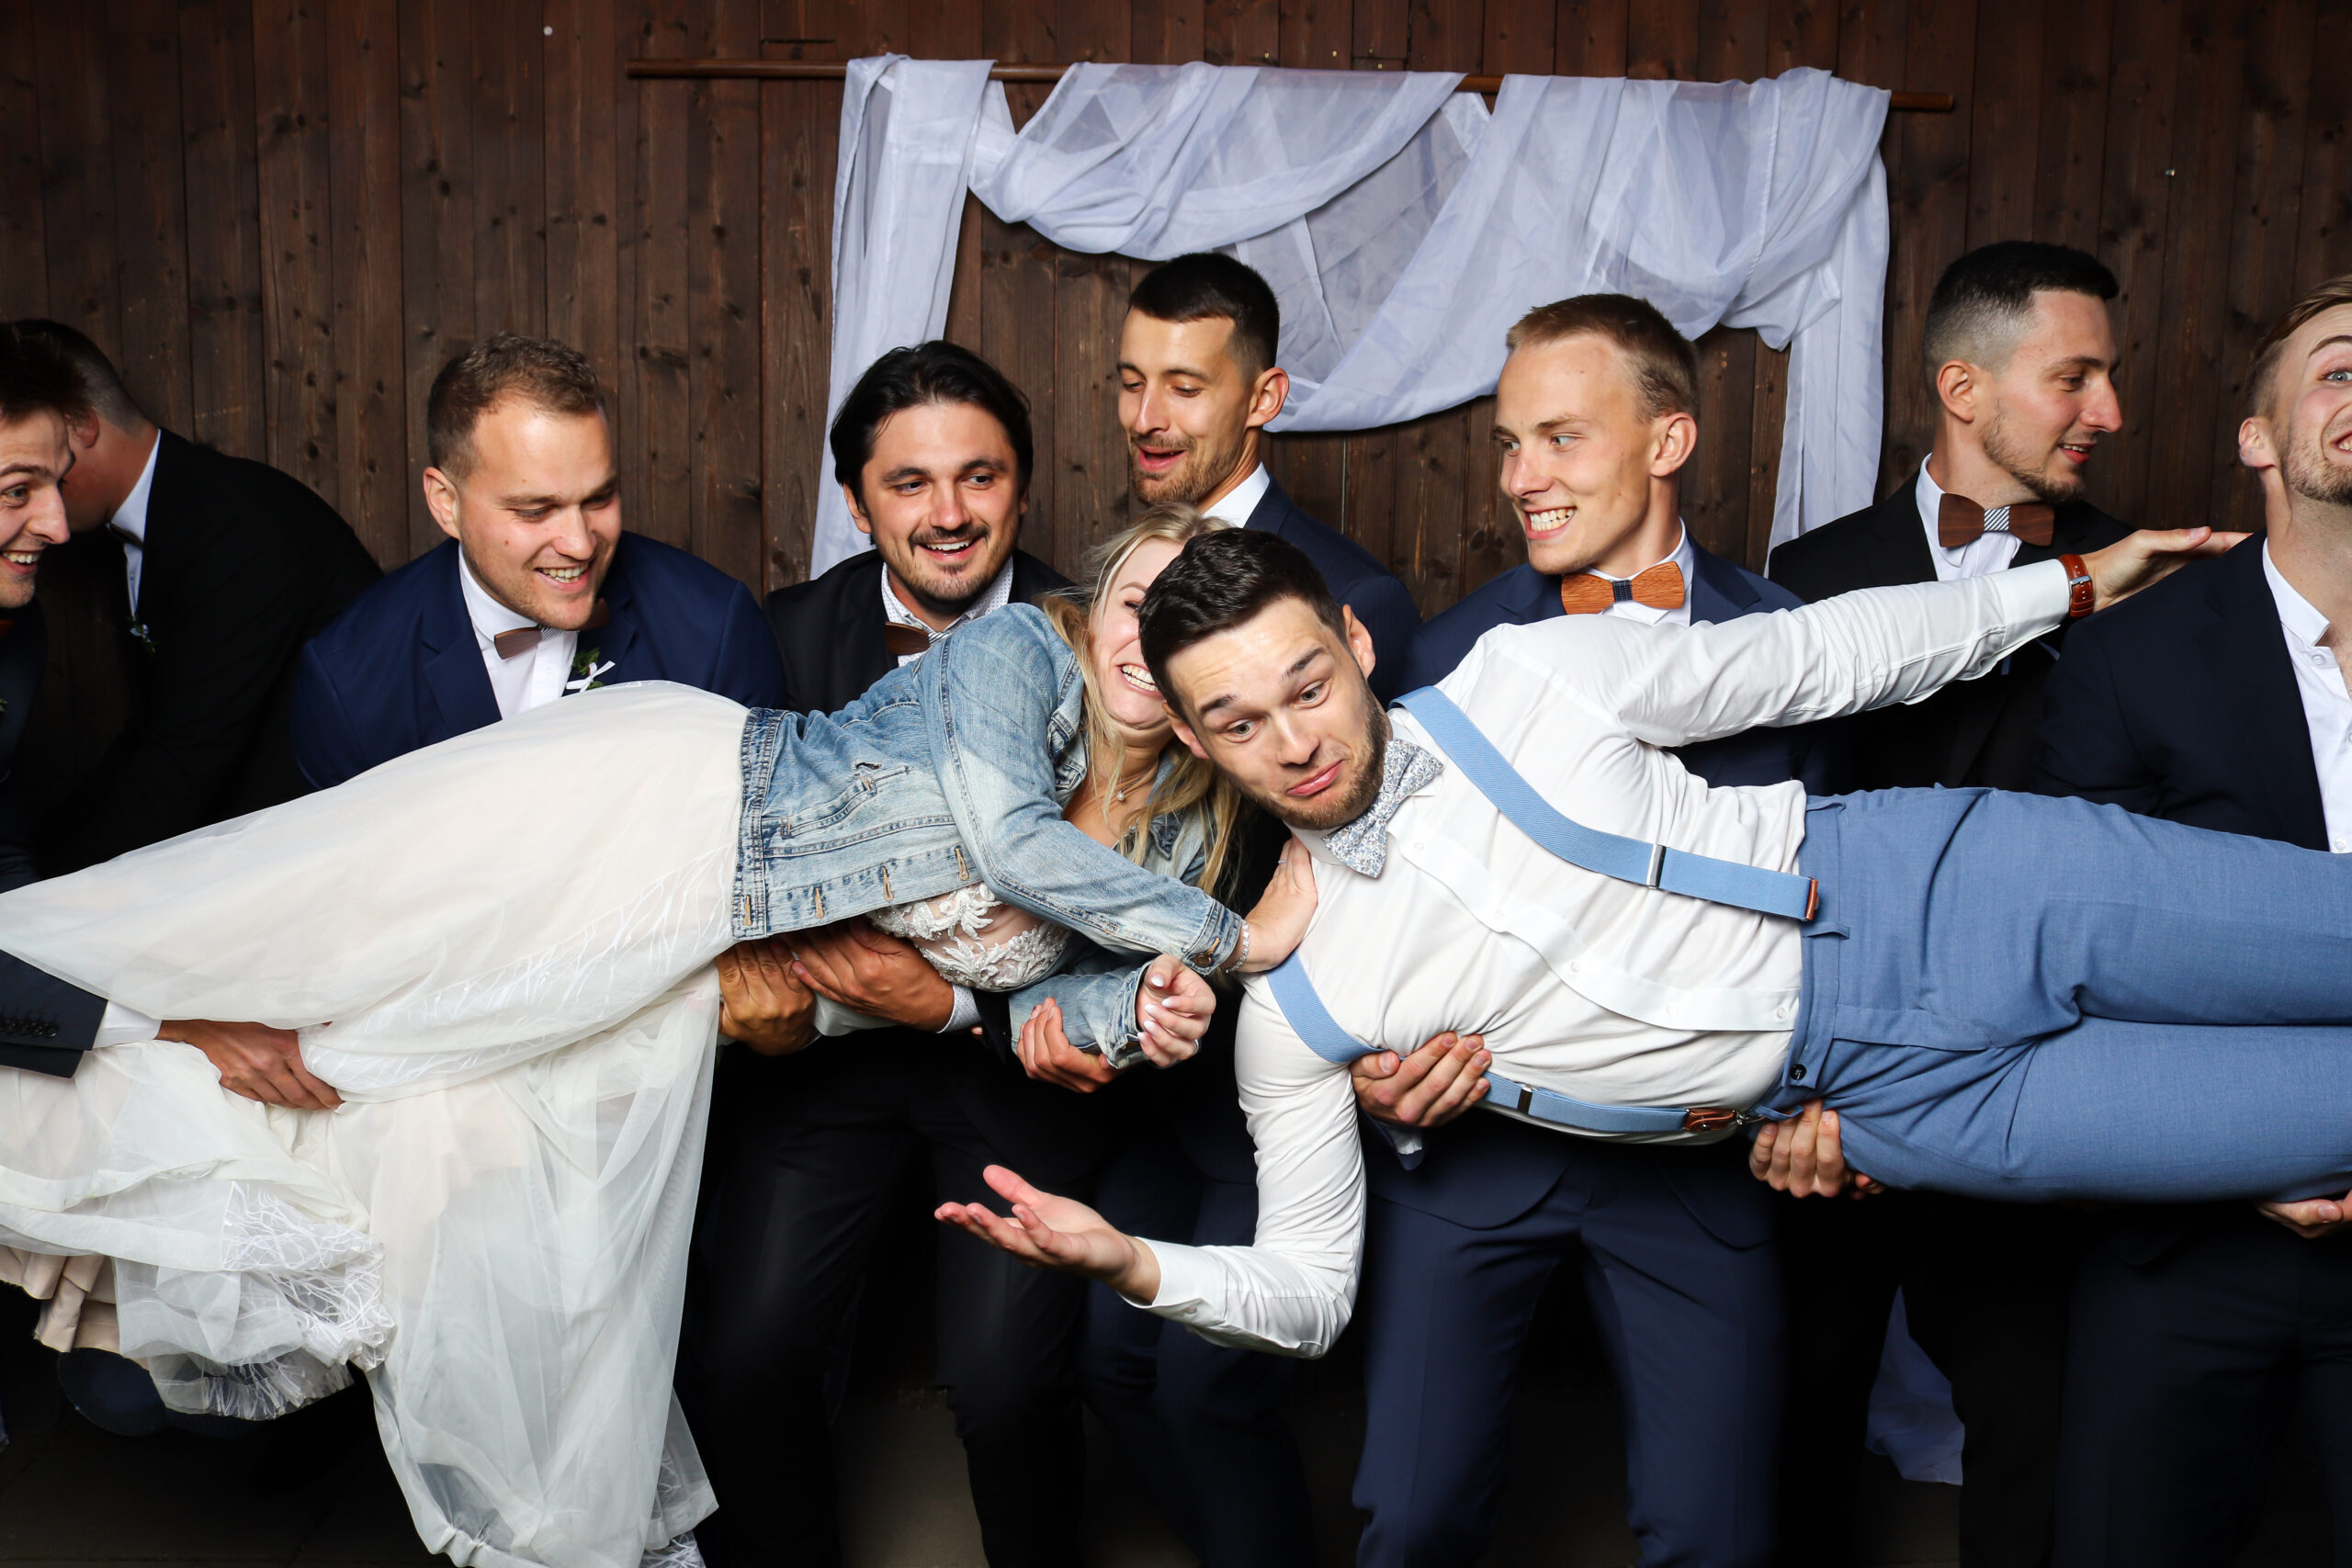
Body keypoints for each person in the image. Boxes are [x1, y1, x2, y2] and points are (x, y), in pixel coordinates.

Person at [933, 509, 2352, 1568]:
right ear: (1193, 738)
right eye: (1239, 722)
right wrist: (1131, 1261)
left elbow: (1813, 659)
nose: (1295, 741)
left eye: (1307, 684)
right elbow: (1308, 1288)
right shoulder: (1304, 1006)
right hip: (1890, 1106)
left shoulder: (1527, 674)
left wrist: (2075, 582)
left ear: (1356, 646)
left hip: (1945, 889)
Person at [0, 538, 1317, 1568]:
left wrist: (1141, 1012)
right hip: (667, 817)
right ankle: (61, 1008)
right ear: (1091, 601)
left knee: (411, 1097)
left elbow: (1053, 1007)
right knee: (308, 951)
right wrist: (1232, 943)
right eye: (1134, 600)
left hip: (688, 976)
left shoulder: (1177, 837)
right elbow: (1015, 845)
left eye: (1181, 627)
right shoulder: (1016, 652)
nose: (1147, 637)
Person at [1319, 295, 1811, 1568]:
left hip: (1702, 1162)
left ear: (1669, 440)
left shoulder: (1796, 643)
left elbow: (1844, 897)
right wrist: (1376, 1070)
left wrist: (1831, 1096)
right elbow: (1375, 917)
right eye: (1509, 443)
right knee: (1412, 1517)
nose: (1520, 477)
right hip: (1480, 1147)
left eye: (1559, 438)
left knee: (1721, 1537)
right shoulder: (1442, 661)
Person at [1761, 242, 2135, 1568]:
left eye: (2108, 377)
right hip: (1832, 1082)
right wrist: (1796, 1085)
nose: (2108, 410)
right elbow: (1764, 836)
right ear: (1963, 388)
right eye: (2074, 377)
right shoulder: (1805, 573)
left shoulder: (2141, 578)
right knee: (1798, 1402)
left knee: (2037, 1418)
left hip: (2034, 1072)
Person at [690, 340, 1090, 1568]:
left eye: (980, 476)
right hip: (824, 1064)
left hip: (1017, 1064)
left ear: (1022, 487)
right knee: (743, 1352)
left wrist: (956, 1000)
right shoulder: (780, 634)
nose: (949, 512)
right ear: (857, 504)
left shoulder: (1099, 638)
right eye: (909, 482)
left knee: (1008, 1385)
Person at [2037, 275, 2352, 1568]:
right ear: (2258, 436)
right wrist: (2251, 1149)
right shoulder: (2131, 657)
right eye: (2339, 369)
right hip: (2189, 1236)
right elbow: (2080, 958)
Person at [9, 319, 379, 874]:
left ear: (79, 427)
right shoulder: (146, 520)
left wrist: (58, 890)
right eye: (20, 487)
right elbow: (154, 736)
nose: (51, 519)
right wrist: (44, 861)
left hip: (326, 845)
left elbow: (185, 759)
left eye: (49, 475)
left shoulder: (238, 524)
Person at [1121, 253, 1420, 698]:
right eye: (1132, 384)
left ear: (1263, 399)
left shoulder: (1356, 596)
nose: (1144, 419)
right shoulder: (1122, 569)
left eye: (1184, 389)